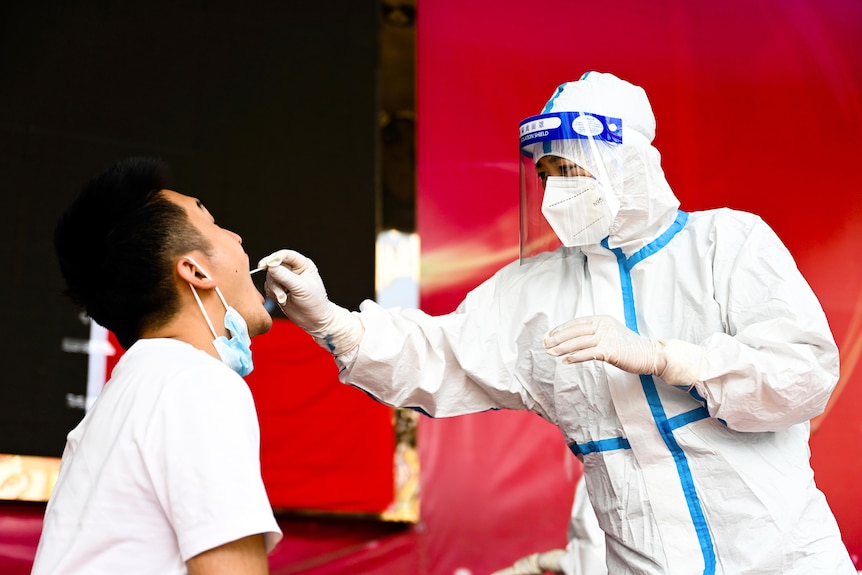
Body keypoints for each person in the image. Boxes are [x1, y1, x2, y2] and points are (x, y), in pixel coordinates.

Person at [259, 72, 855, 573]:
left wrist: (675, 360)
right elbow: (438, 355)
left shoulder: (728, 244)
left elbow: (801, 377)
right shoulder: (535, 290)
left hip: (785, 561)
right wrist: (330, 322)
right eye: (546, 174)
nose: (554, 190)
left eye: (572, 169)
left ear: (631, 163)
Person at [32, 157, 281, 574]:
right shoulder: (196, 382)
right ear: (195, 271)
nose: (237, 236)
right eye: (216, 224)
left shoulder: (126, 398)